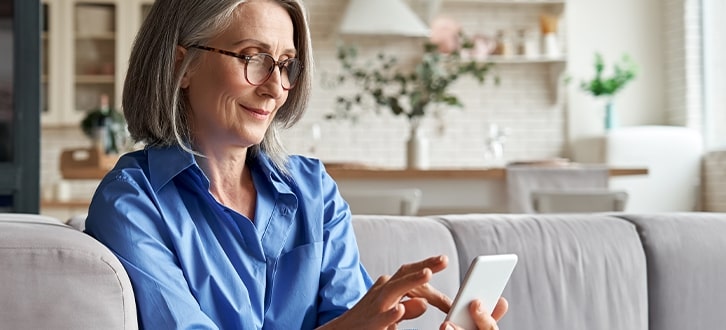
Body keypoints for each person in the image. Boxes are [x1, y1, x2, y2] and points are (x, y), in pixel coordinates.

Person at [84, 0, 509, 329]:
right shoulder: (132, 203)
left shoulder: (314, 189)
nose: (276, 88)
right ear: (182, 66)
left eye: (286, 65)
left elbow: (351, 319)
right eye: (253, 57)